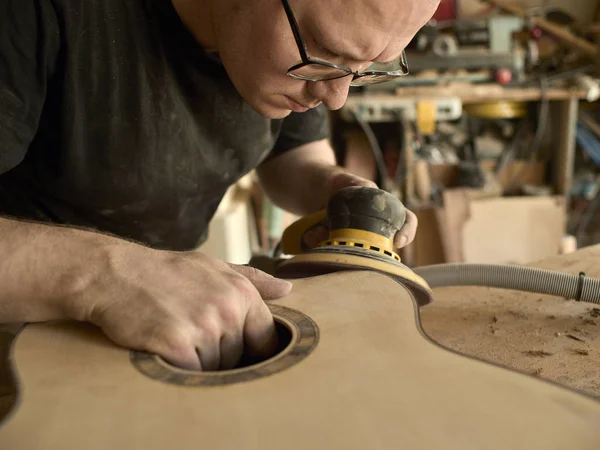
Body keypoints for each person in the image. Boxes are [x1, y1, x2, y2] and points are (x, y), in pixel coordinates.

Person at [0, 0, 439, 371]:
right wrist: (107, 274)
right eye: (326, 50)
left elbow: (296, 155)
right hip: (24, 327)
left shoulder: (301, 61)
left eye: (366, 69)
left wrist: (334, 187)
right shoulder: (36, 14)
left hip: (159, 327)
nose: (337, 96)